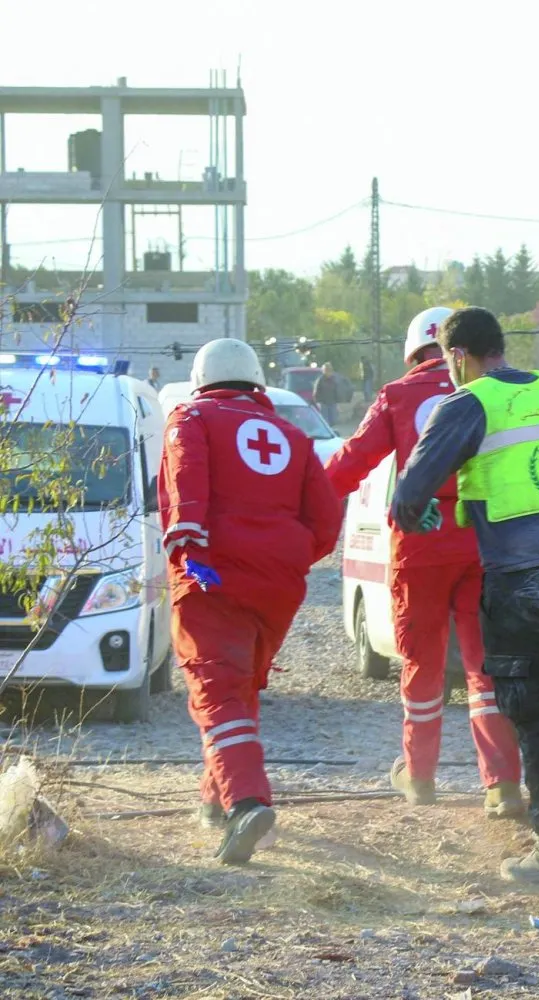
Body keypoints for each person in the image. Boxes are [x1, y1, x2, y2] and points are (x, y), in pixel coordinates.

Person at [390, 307, 539, 884]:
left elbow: (409, 494)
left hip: (526, 579)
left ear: (457, 356)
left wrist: (417, 520)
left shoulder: (467, 403)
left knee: (533, 704)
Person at [323, 306, 524, 819]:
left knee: (422, 665)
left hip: (420, 545)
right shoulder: (497, 390)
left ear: (413, 352)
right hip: (485, 542)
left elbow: (351, 463)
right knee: (486, 668)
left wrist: (305, 504)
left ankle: (420, 776)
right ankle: (501, 783)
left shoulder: (397, 394)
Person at [158, 338, 341, 864]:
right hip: (280, 580)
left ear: (201, 380)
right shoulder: (292, 434)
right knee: (237, 687)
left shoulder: (190, 417)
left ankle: (247, 803)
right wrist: (290, 556)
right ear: (256, 382)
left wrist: (190, 555)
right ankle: (215, 801)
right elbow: (327, 521)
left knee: (215, 688)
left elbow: (185, 481)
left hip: (212, 570)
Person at [314, 363, 340, 428]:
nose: (328, 372)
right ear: (324, 371)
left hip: (332, 403)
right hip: (323, 403)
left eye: (329, 370)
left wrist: (338, 403)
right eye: (326, 370)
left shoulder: (333, 380)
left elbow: (336, 391)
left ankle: (332, 432)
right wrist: (317, 402)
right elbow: (316, 392)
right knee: (325, 421)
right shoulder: (320, 380)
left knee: (333, 420)